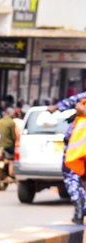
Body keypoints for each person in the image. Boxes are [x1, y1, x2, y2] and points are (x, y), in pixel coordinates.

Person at [48, 92, 86, 225]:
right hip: (78, 146)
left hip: (77, 148)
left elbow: (74, 101)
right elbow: (73, 101)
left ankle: (80, 207)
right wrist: (57, 107)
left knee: (72, 177)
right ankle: (80, 208)